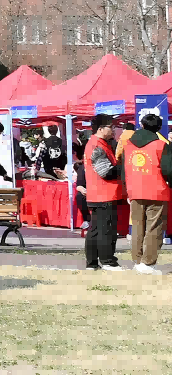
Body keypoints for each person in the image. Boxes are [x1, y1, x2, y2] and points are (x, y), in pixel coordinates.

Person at [121, 112, 170, 275]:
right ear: (158, 128)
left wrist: (127, 189)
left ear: (141, 125)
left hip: (135, 190)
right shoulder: (161, 145)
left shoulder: (128, 145)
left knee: (137, 227)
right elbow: (168, 170)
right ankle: (148, 263)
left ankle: (137, 261)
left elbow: (123, 170)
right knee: (154, 227)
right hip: (157, 191)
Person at [82, 114, 124, 271]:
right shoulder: (97, 146)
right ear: (100, 129)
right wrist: (122, 166)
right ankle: (107, 261)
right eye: (111, 127)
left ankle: (92, 263)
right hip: (104, 194)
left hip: (98, 193)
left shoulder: (99, 144)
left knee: (95, 230)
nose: (113, 130)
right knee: (106, 230)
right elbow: (106, 172)